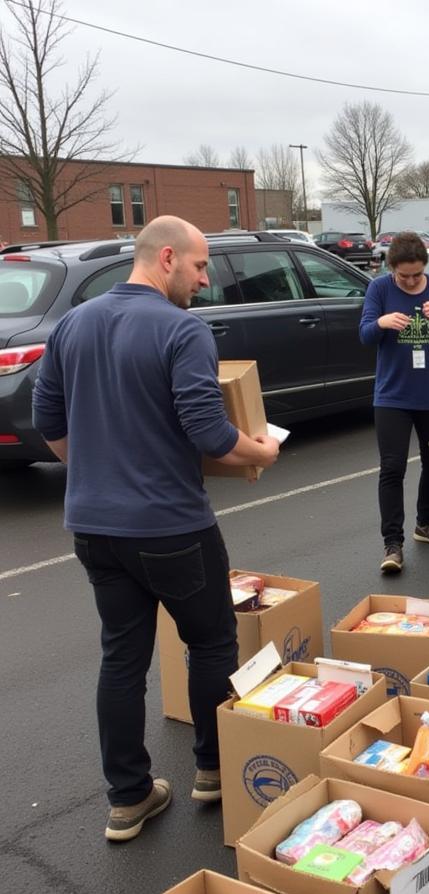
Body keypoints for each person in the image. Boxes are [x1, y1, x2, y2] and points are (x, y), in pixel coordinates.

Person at [31, 215, 280, 842]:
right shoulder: (181, 329)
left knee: (122, 658)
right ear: (166, 258)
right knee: (214, 643)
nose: (204, 281)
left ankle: (128, 798)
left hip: (94, 528)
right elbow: (207, 430)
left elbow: (47, 418)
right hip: (171, 526)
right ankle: (212, 769)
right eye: (199, 268)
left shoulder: (73, 325)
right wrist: (260, 452)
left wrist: (92, 473)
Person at [359, 231, 429, 574]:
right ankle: (393, 544)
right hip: (393, 395)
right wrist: (381, 322)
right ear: (392, 269)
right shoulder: (380, 289)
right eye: (404, 275)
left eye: (417, 274)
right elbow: (364, 334)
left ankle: (426, 523)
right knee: (393, 468)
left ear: (425, 268)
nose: (410, 280)